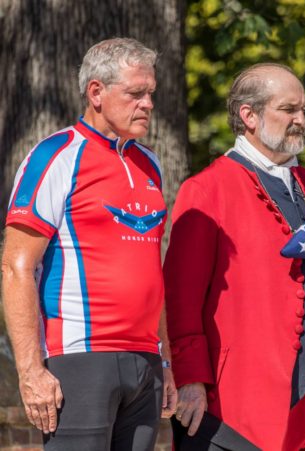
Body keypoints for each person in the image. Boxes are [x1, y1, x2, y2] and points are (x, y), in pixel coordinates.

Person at [164, 62, 305, 451]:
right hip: (248, 402)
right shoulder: (207, 189)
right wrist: (190, 380)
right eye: (288, 110)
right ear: (248, 116)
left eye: (303, 109)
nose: (301, 119)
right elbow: (180, 301)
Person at [1, 38, 176, 450]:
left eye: (151, 93)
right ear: (96, 92)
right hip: (79, 359)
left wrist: (166, 362)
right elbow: (15, 266)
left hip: (144, 364)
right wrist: (30, 371)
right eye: (136, 93)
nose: (148, 104)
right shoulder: (56, 157)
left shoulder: (149, 164)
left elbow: (153, 272)